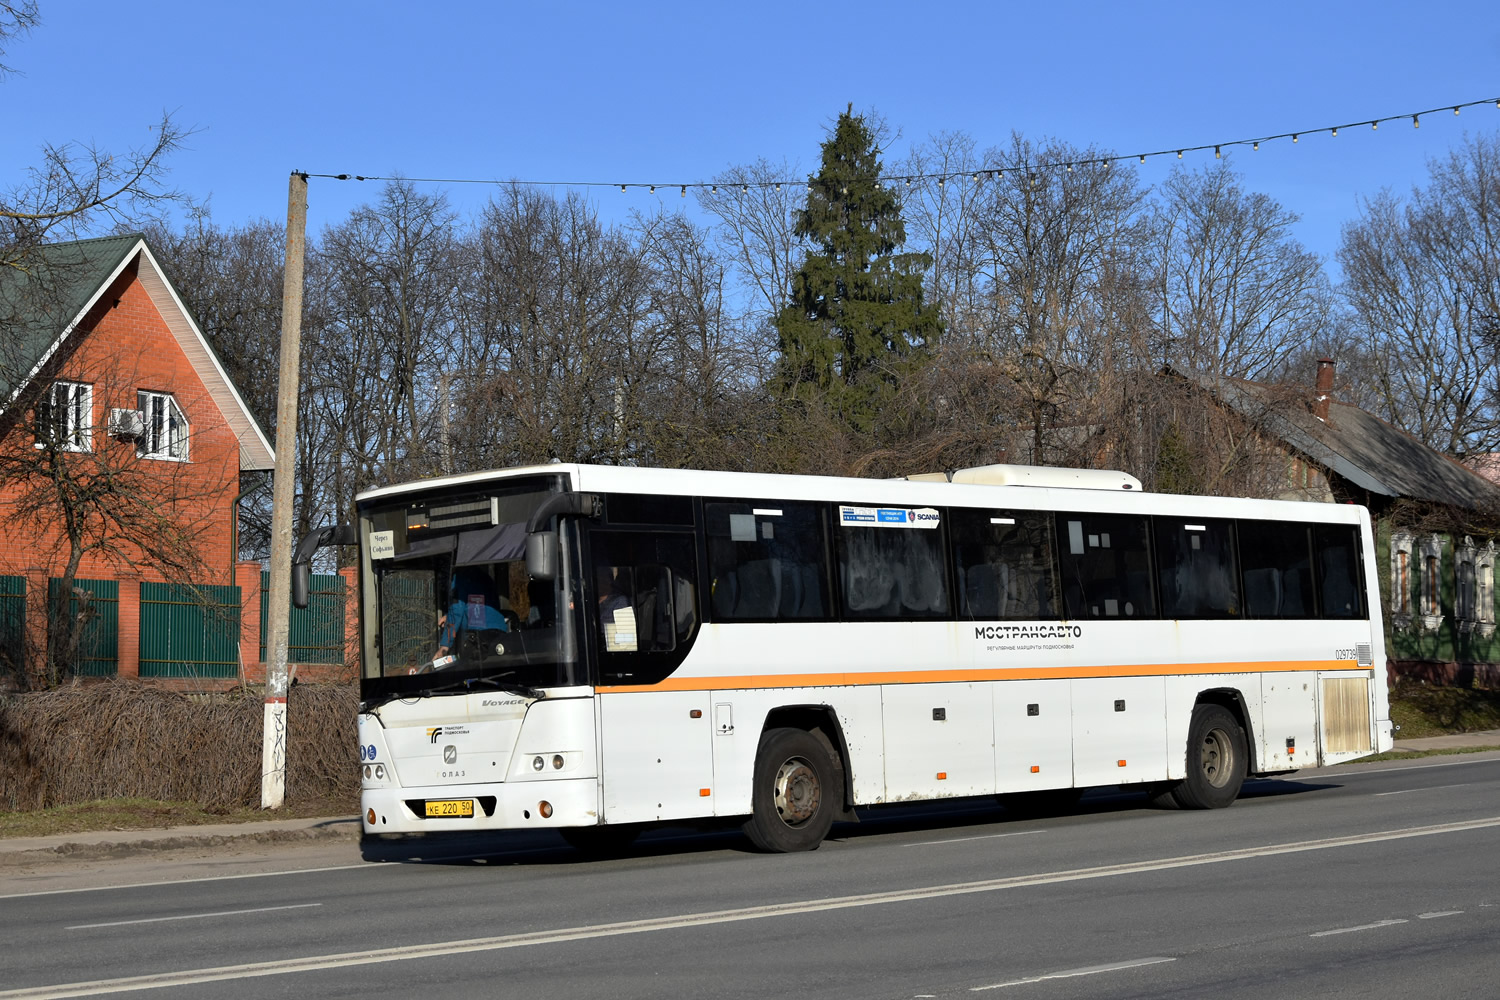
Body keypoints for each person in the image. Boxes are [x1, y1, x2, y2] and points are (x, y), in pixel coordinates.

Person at [437, 567, 510, 657]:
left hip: (478, 637)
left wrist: (444, 646)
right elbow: (480, 606)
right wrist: (448, 617)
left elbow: (456, 611)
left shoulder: (459, 579)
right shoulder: (485, 577)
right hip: (500, 632)